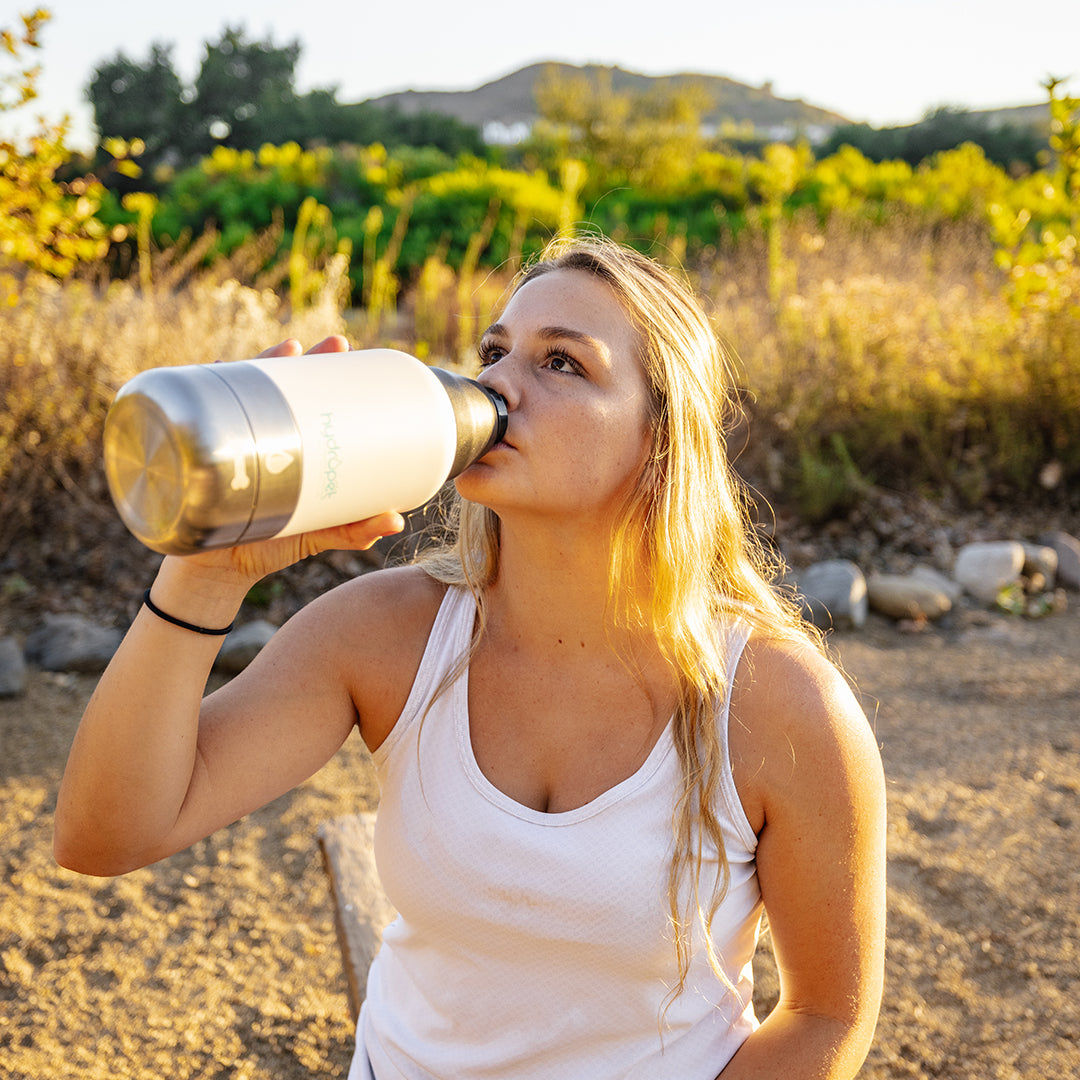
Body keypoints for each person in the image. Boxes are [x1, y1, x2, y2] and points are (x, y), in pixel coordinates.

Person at [55, 235, 887, 1079]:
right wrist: (203, 578)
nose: (496, 382)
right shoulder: (389, 635)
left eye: (562, 362)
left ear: (658, 440)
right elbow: (105, 836)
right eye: (494, 351)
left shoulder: (778, 703)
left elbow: (826, 1015)